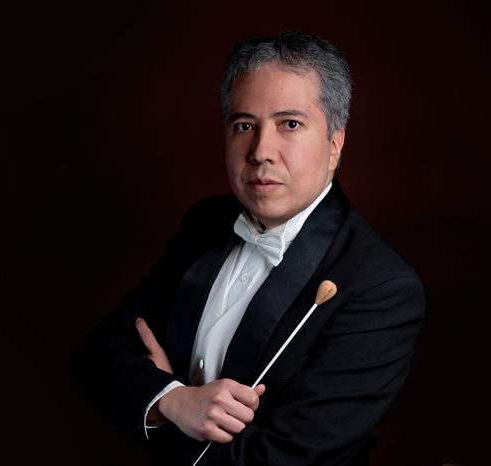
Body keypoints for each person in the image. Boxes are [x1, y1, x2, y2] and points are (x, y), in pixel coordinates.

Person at [69, 31, 424, 466]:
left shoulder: (381, 285)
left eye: (290, 124)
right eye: (244, 126)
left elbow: (287, 459)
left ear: (335, 145)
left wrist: (160, 412)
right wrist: (173, 401)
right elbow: (97, 356)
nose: (260, 152)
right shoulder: (205, 222)